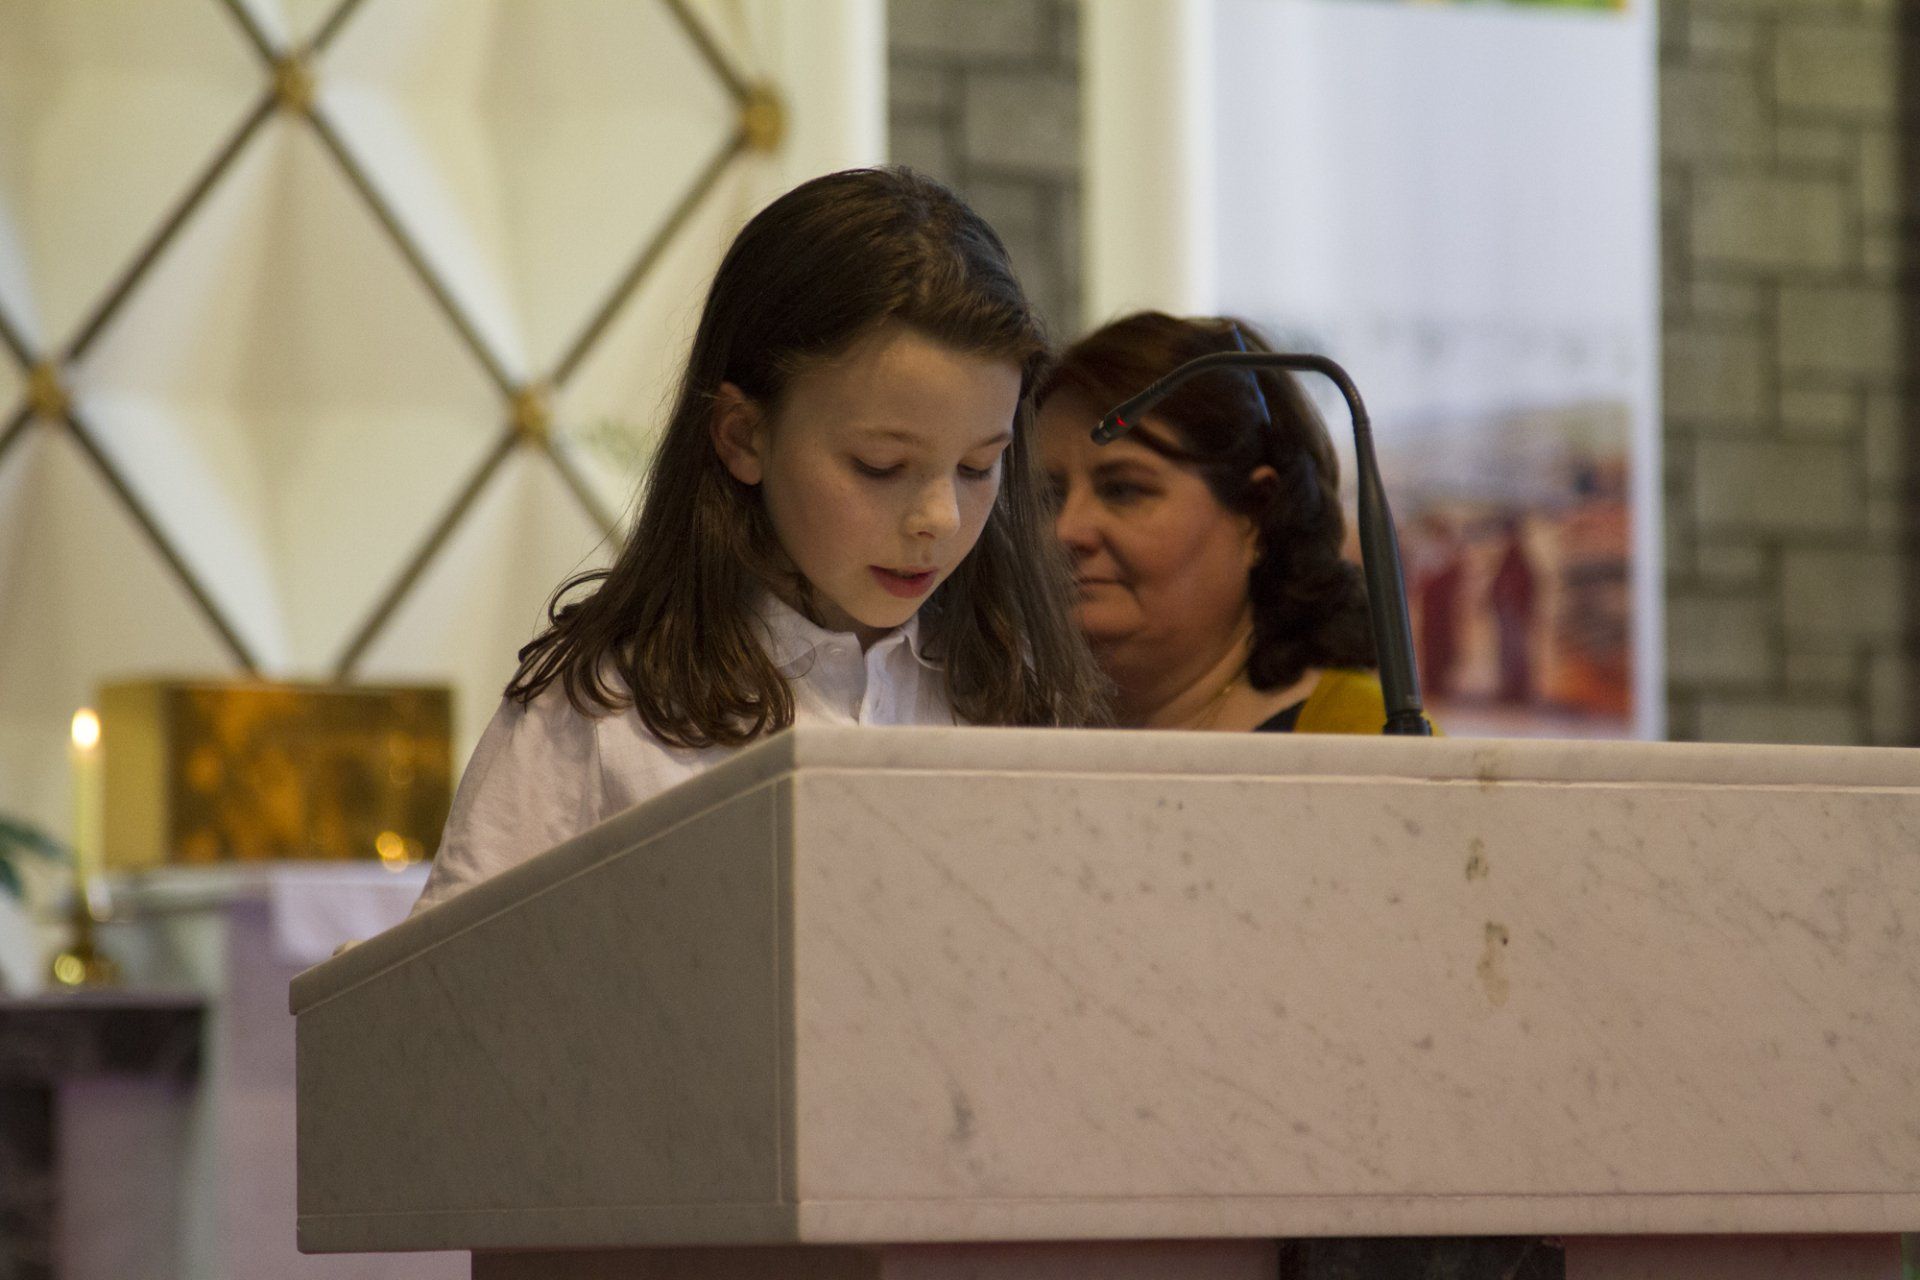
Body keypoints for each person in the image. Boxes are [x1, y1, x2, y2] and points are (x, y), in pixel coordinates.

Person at [413, 167, 1107, 914]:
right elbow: (451, 1004)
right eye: (881, 466)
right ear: (744, 437)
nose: (938, 516)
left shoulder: (1016, 693)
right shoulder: (602, 713)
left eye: (978, 466)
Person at [1037, 311, 1398, 734]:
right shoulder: (1009, 726)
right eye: (1047, 496)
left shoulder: (1364, 740)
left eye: (1123, 489)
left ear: (1257, 513)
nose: (1066, 530)